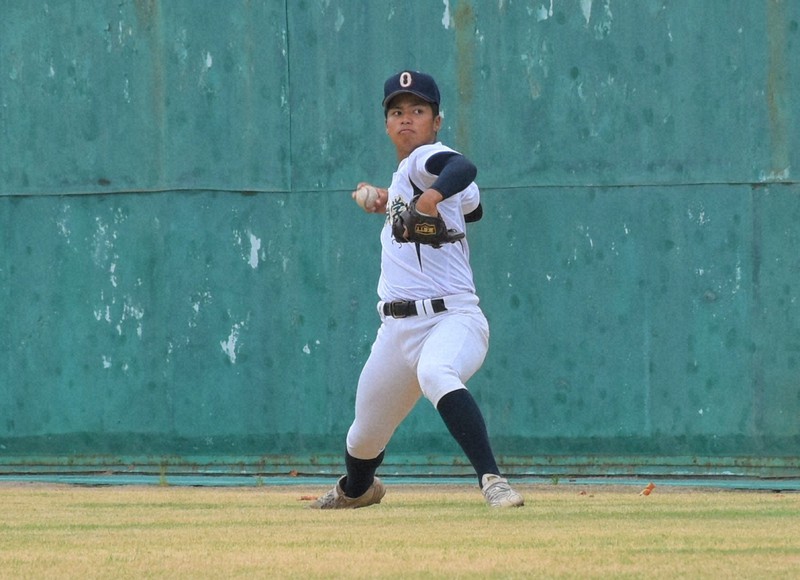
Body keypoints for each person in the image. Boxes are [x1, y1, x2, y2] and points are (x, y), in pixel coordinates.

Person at [310, 70, 523, 509]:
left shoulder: (430, 159)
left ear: (437, 120)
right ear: (387, 124)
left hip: (452, 318)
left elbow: (462, 168)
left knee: (436, 372)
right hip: (396, 331)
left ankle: (493, 480)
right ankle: (357, 491)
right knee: (364, 435)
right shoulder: (412, 172)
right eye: (397, 111)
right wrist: (393, 199)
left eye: (418, 110)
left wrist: (426, 200)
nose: (407, 119)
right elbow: (474, 207)